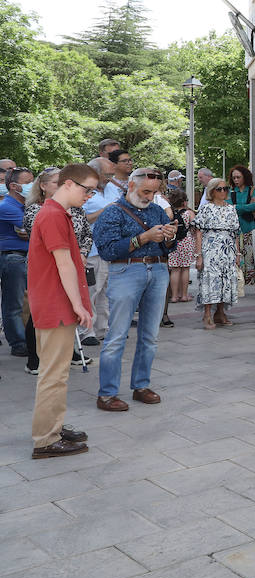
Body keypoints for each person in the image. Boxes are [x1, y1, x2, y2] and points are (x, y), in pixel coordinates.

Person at [27, 164, 98, 458]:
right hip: (55, 303)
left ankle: (52, 427)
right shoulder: (54, 214)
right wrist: (78, 304)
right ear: (68, 184)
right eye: (87, 189)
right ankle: (45, 439)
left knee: (54, 373)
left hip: (54, 302)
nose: (90, 196)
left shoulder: (56, 212)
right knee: (53, 375)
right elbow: (64, 263)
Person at [92, 168, 177, 412]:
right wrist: (144, 238)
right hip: (126, 272)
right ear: (130, 186)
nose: (150, 196)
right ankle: (107, 394)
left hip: (158, 271)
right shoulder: (112, 213)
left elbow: (167, 247)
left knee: (150, 335)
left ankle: (141, 386)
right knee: (117, 335)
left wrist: (169, 236)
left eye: (154, 192)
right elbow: (107, 250)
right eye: (145, 191)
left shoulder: (157, 210)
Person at [81, 158, 122, 343]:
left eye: (112, 175)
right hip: (92, 252)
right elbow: (83, 220)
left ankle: (102, 329)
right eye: (107, 175)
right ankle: (86, 332)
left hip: (109, 251)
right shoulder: (84, 193)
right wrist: (106, 210)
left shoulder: (110, 190)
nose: (110, 178)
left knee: (106, 293)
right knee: (91, 292)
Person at [193, 178, 239, 329]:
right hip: (210, 248)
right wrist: (198, 255)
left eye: (226, 188)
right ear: (212, 191)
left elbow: (236, 232)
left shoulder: (231, 208)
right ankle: (207, 314)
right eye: (220, 189)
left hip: (228, 248)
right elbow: (198, 231)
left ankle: (220, 313)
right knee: (210, 280)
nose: (224, 191)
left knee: (226, 280)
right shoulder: (206, 208)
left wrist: (237, 254)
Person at [1, 168, 31, 358]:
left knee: (26, 302)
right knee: (14, 303)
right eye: (28, 182)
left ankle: (26, 340)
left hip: (25, 257)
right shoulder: (7, 207)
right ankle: (18, 343)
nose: (32, 185)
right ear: (14, 186)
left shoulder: (27, 206)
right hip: (14, 258)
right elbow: (37, 228)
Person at [228, 165, 255, 293]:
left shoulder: (253, 190)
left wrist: (238, 207)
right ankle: (238, 284)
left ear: (245, 177)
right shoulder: (231, 192)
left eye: (238, 177)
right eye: (234, 178)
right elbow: (229, 206)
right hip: (236, 231)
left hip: (251, 229)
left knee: (254, 259)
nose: (236, 180)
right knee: (237, 259)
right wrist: (245, 207)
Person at [165, 189, 196, 305]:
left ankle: (173, 296)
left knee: (175, 269)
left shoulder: (170, 213)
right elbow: (195, 227)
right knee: (185, 268)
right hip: (186, 242)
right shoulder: (189, 213)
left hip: (174, 242)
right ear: (184, 202)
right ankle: (183, 295)